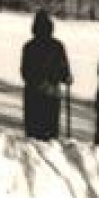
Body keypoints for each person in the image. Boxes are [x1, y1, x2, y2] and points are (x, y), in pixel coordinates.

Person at [20, 10, 71, 141]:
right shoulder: (58, 46)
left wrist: (37, 82)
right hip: (52, 93)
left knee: (33, 132)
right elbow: (64, 69)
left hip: (33, 92)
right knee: (50, 132)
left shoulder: (29, 46)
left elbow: (25, 71)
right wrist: (66, 78)